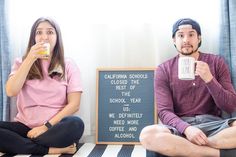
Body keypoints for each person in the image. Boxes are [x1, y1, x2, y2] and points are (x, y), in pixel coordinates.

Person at [139, 18, 236, 157]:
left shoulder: (217, 63)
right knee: (147, 135)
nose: (186, 40)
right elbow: (164, 112)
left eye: (191, 34)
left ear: (199, 38)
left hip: (214, 126)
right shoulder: (163, 69)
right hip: (179, 128)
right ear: (174, 40)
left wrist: (209, 79)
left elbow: (230, 106)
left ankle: (184, 148)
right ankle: (215, 153)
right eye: (180, 35)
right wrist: (187, 129)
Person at [0, 17, 84, 155]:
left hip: (53, 128)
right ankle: (50, 149)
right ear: (33, 38)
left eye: (50, 32)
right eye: (39, 33)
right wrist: (30, 59)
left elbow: (74, 104)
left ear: (57, 38)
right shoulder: (21, 62)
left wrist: (45, 127)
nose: (44, 37)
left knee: (76, 124)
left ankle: (17, 144)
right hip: (25, 128)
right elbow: (11, 91)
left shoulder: (68, 65)